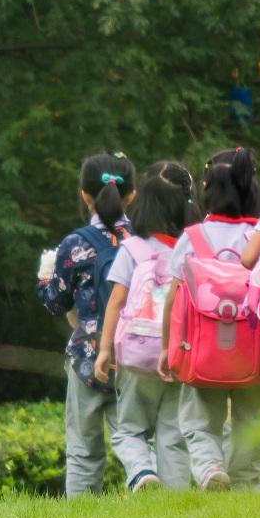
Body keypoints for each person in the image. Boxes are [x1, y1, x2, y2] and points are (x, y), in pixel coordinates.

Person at [37, 150, 134, 497]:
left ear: (84, 195)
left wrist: (44, 278)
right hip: (134, 357)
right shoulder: (143, 243)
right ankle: (151, 500)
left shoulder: (74, 244)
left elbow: (54, 302)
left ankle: (80, 516)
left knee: (83, 449)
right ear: (132, 195)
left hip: (86, 359)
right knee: (135, 442)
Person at [96, 169, 194, 491]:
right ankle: (176, 494)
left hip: (137, 356)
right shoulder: (188, 250)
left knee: (129, 429)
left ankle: (142, 473)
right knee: (172, 431)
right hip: (178, 355)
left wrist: (105, 349)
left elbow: (116, 300)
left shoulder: (132, 249)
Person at [177, 146, 260, 490]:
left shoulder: (193, 238)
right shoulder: (259, 238)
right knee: (251, 421)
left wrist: (169, 351)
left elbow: (175, 296)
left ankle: (210, 467)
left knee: (198, 421)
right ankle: (245, 484)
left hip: (203, 350)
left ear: (208, 189)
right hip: (254, 349)